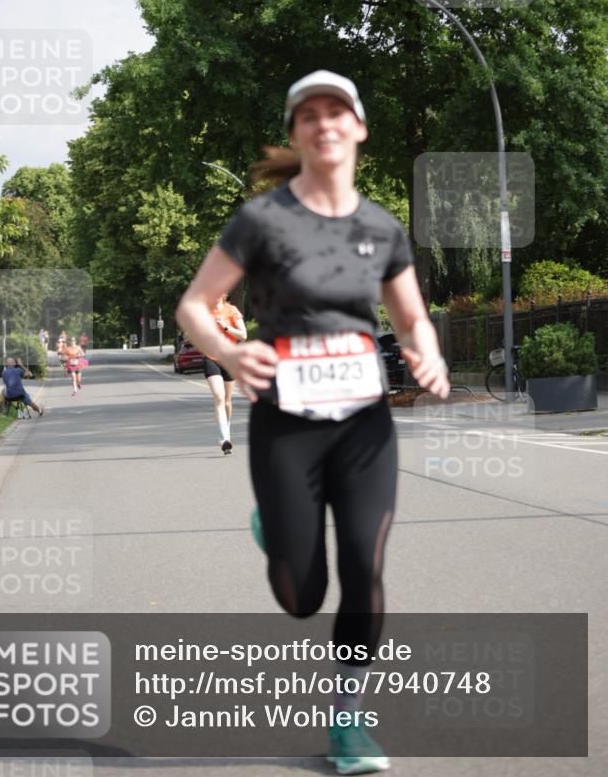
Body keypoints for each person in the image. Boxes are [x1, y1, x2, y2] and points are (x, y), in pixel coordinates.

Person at [176, 70, 450, 774]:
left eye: (338, 112)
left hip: (362, 421)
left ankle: (348, 722)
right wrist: (230, 353)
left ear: (357, 127)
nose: (325, 123)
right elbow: (194, 306)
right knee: (301, 598)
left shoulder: (380, 226)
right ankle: (275, 528)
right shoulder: (262, 220)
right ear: (298, 133)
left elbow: (409, 314)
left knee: (367, 562)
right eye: (310, 114)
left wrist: (427, 354)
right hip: (285, 421)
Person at [202, 294, 247, 454]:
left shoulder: (232, 311)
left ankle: (226, 431)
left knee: (227, 401)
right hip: (211, 358)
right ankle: (224, 439)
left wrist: (226, 327)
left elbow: (244, 335)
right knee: (219, 397)